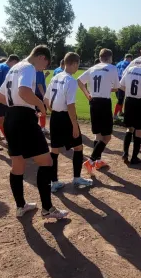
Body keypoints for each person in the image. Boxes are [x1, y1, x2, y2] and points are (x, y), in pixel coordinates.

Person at [0, 44, 68, 220]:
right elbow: (24, 91)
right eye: (44, 65)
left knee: (18, 165)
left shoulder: (14, 67)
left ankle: (20, 206)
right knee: (46, 162)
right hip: (24, 121)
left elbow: (0, 97)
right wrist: (39, 105)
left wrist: (20, 107)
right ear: (41, 57)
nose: (42, 69)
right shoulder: (28, 67)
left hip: (10, 118)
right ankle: (47, 209)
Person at [45, 52, 93, 192]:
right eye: (78, 64)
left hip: (54, 117)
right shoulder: (70, 80)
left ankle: (54, 182)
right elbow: (70, 105)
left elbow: (46, 100)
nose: (78, 67)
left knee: (54, 150)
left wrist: (53, 110)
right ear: (73, 63)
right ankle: (77, 178)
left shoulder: (55, 77)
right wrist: (74, 125)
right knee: (78, 147)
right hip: (66, 118)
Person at [78, 48, 120, 174]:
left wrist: (87, 94)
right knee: (107, 136)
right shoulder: (112, 68)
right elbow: (117, 88)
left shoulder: (92, 68)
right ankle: (91, 161)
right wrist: (108, 88)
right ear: (109, 57)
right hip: (104, 102)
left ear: (100, 57)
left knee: (98, 134)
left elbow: (79, 81)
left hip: (93, 101)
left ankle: (97, 161)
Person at [0, 55, 20, 151]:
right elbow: (8, 85)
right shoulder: (7, 69)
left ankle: (6, 138)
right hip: (1, 94)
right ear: (13, 61)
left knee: (2, 119)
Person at [113, 54, 132, 120]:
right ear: (130, 59)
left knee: (121, 98)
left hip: (116, 82)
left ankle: (120, 112)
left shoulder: (118, 63)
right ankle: (115, 115)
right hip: (123, 83)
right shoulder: (129, 64)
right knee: (120, 99)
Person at [35, 69, 50, 134]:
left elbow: (39, 81)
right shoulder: (39, 71)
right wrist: (44, 96)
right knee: (42, 111)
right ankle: (42, 128)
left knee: (38, 111)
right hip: (39, 94)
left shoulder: (38, 71)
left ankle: (41, 127)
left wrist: (45, 76)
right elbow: (39, 84)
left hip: (37, 94)